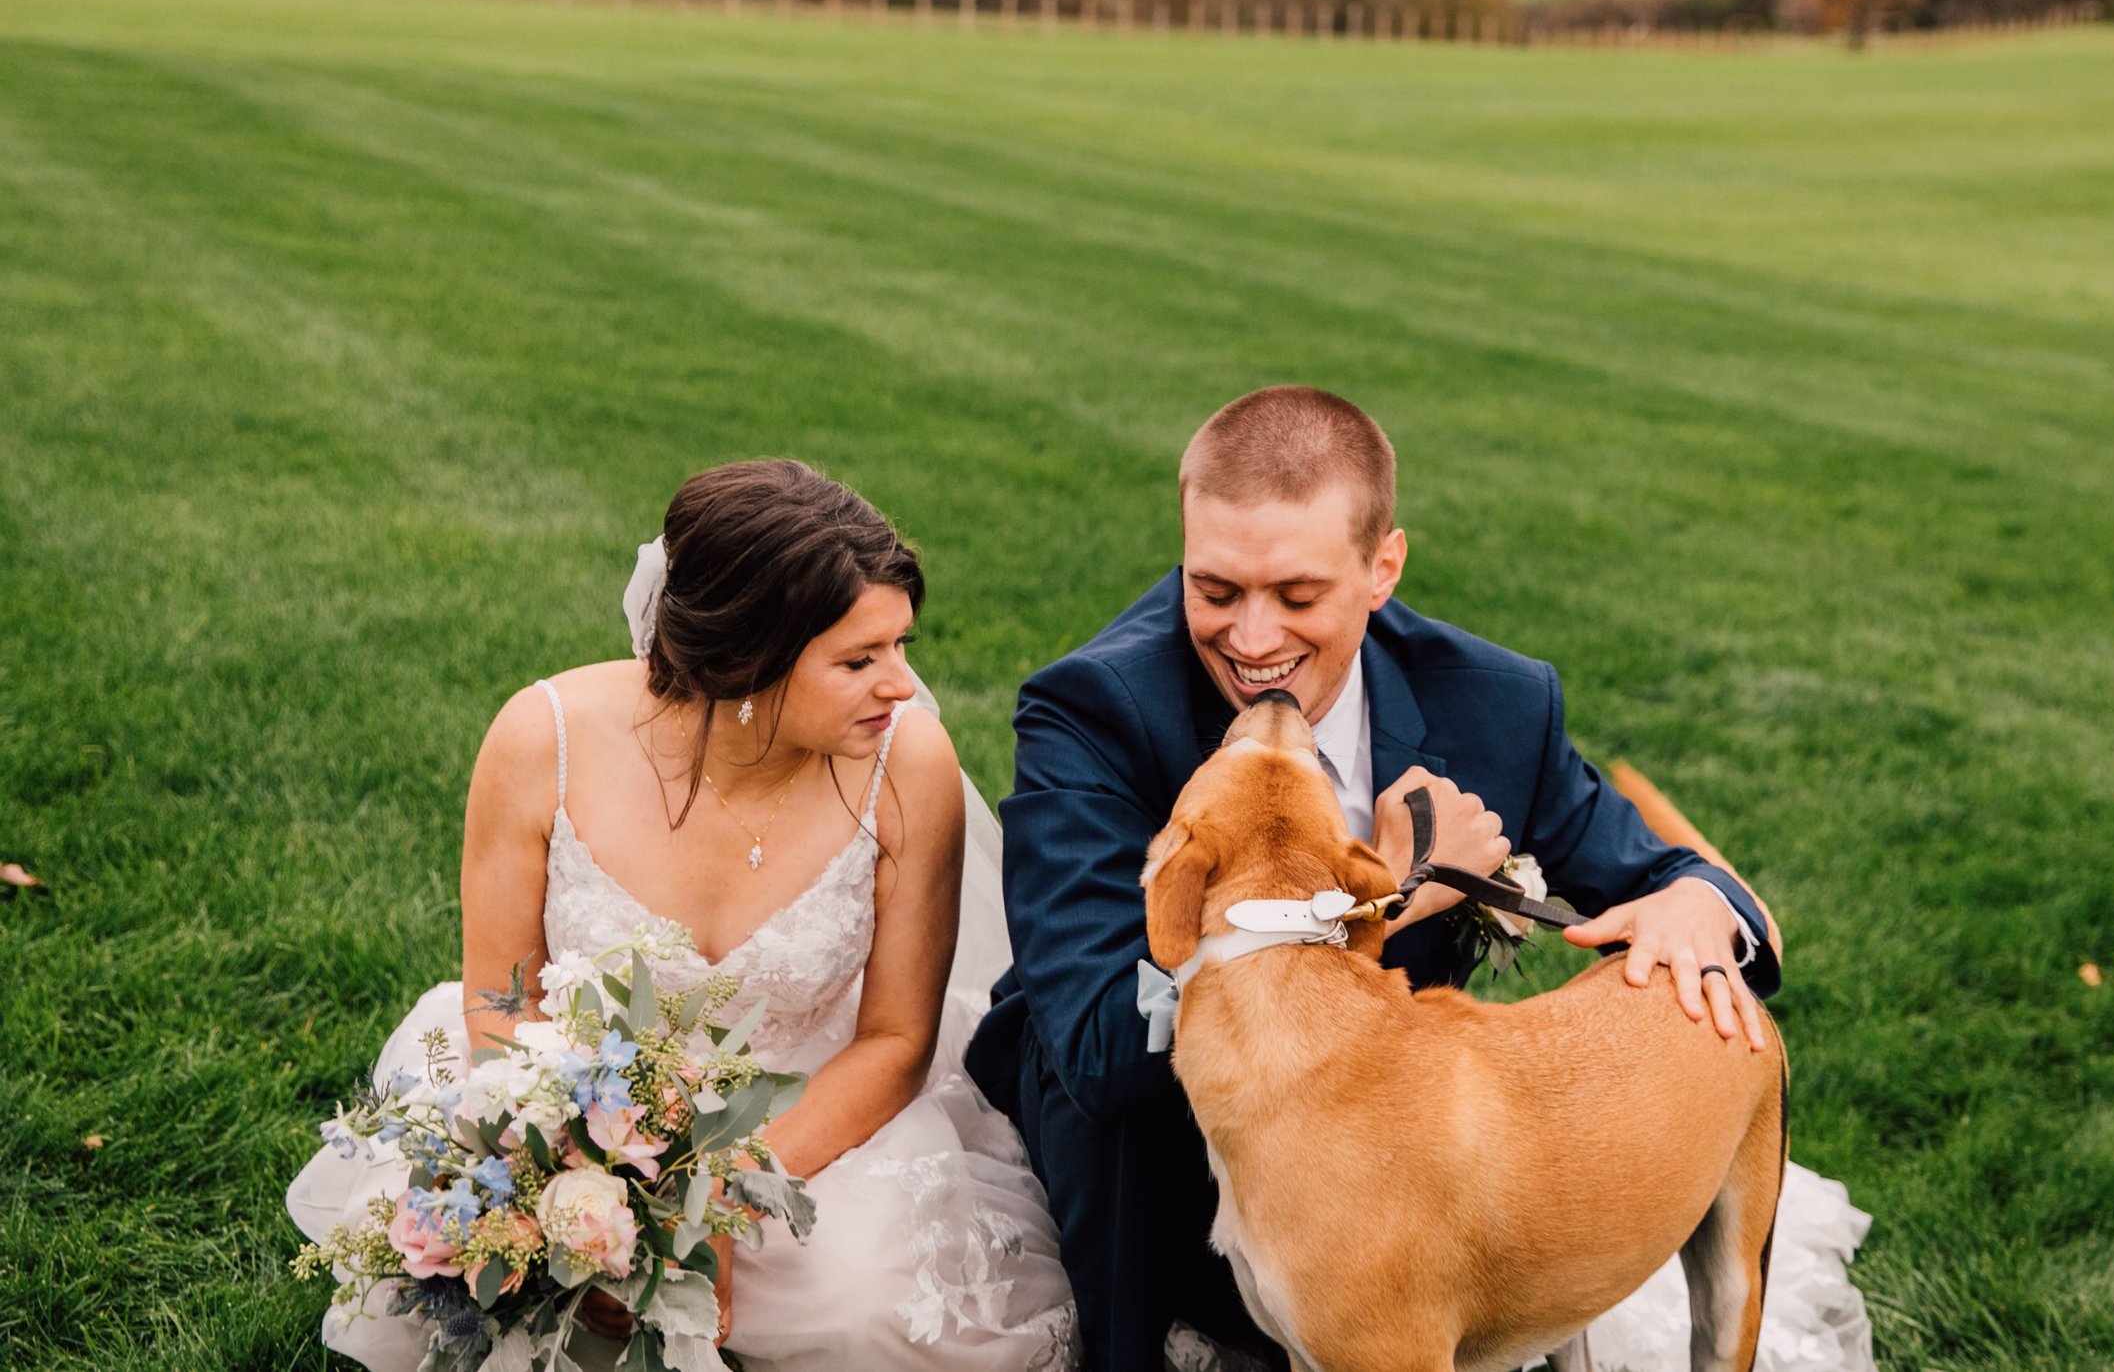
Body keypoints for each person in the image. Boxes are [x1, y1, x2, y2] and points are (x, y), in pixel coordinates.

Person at [966, 387, 1874, 1372]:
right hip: (1151, 1158)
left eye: (1298, 595)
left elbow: (1663, 871)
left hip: (1402, 1175)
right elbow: (1098, 1045)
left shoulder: (1494, 701)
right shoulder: (1091, 709)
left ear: (1381, 569)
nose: (1253, 639)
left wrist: (1701, 899)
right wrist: (1385, 897)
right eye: (1214, 589)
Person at [288, 460, 1078, 1372]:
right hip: (579, 1098)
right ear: (748, 660)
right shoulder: (540, 738)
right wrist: (576, 1178)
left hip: (812, 1113)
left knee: (867, 1309)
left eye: (901, 645)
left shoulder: (909, 763)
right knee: (441, 1289)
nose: (902, 684)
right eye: (860, 659)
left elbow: (897, 1038)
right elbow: (501, 1005)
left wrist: (718, 1193)